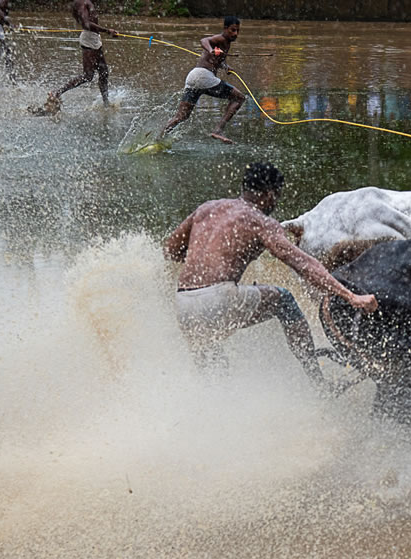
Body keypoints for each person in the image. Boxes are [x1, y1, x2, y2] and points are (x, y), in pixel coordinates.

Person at [163, 162, 378, 389]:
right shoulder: (260, 221)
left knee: (214, 368)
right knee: (284, 300)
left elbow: (170, 250)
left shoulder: (207, 208)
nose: (276, 202)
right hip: (219, 299)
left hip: (183, 303)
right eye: (277, 196)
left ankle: (215, 405)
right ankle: (317, 381)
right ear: (269, 194)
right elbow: (303, 264)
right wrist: (350, 296)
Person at [160, 16, 247, 144]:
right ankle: (218, 130)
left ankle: (158, 138)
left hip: (193, 77)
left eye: (238, 31)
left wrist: (225, 66)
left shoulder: (226, 43)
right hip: (204, 77)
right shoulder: (221, 38)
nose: (235, 34)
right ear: (225, 28)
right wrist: (211, 49)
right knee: (239, 98)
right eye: (233, 30)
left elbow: (216, 60)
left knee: (182, 116)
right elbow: (204, 40)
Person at [37, 0, 118, 113]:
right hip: (89, 40)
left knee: (104, 72)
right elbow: (86, 24)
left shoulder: (85, 2)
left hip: (94, 39)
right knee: (87, 76)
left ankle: (106, 104)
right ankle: (57, 92)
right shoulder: (83, 3)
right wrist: (107, 30)